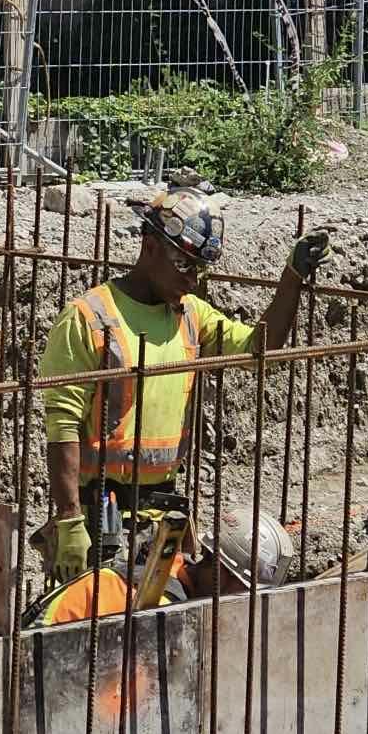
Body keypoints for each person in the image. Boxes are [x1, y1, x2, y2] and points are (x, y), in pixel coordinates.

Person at [37, 187, 328, 584]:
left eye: (199, 269)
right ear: (151, 246)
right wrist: (69, 518)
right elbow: (62, 428)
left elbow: (260, 351)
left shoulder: (191, 315)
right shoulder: (89, 317)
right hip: (100, 516)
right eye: (184, 264)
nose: (192, 280)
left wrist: (291, 278)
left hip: (162, 519)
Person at [29, 507, 289, 626]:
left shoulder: (176, 580)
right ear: (219, 570)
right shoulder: (159, 605)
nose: (246, 607)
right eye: (243, 591)